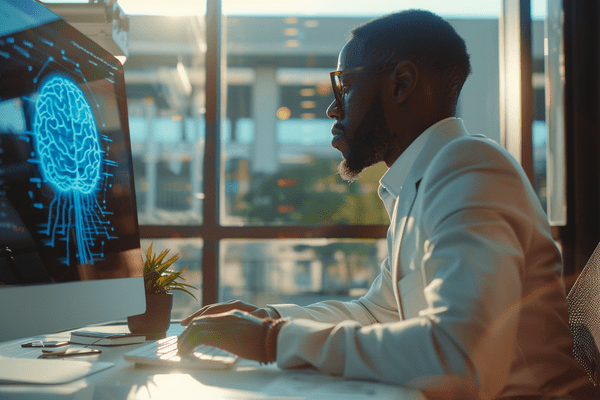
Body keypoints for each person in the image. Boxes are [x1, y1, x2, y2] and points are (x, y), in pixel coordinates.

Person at [177, 9, 593, 399]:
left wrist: (271, 341)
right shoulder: (421, 181)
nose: (331, 107)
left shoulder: (469, 168)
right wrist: (267, 319)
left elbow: (462, 356)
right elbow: (378, 313)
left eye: (346, 85)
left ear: (401, 83)